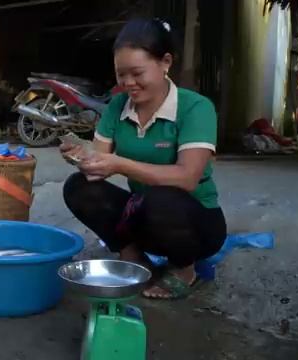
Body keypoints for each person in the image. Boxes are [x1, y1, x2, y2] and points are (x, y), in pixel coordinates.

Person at [61, 18, 227, 300]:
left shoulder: (195, 107)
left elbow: (187, 178)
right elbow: (99, 164)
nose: (128, 83)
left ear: (165, 63)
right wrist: (82, 158)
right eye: (121, 74)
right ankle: (134, 256)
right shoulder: (117, 106)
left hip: (194, 226)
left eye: (137, 73)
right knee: (78, 187)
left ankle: (184, 269)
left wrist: (119, 164)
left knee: (161, 198)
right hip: (144, 216)